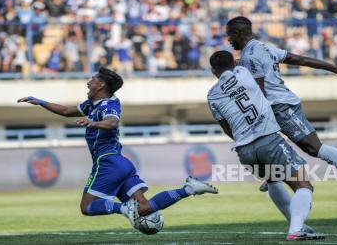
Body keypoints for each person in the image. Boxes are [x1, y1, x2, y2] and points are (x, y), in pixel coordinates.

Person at [17, 67, 217, 230]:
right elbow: (67, 111)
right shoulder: (92, 104)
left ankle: (123, 209)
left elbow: (112, 123)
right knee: (144, 207)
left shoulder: (108, 105)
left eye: (92, 79)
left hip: (108, 162)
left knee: (87, 207)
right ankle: (189, 189)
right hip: (121, 163)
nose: (88, 82)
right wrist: (41, 102)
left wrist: (93, 123)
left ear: (101, 85)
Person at [225, 16, 337, 205]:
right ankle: (274, 177)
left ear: (238, 33)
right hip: (274, 109)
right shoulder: (264, 47)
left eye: (230, 35)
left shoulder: (250, 57)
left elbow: (259, 93)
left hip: (281, 106)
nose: (228, 40)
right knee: (270, 149)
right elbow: (298, 59)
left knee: (314, 148)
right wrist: (333, 68)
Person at [207, 51, 324, 241]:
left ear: (213, 70)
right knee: (303, 185)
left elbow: (226, 128)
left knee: (273, 180)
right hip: (268, 139)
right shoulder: (243, 73)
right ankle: (295, 229)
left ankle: (298, 225)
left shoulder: (212, 95)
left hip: (244, 150)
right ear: (234, 63)